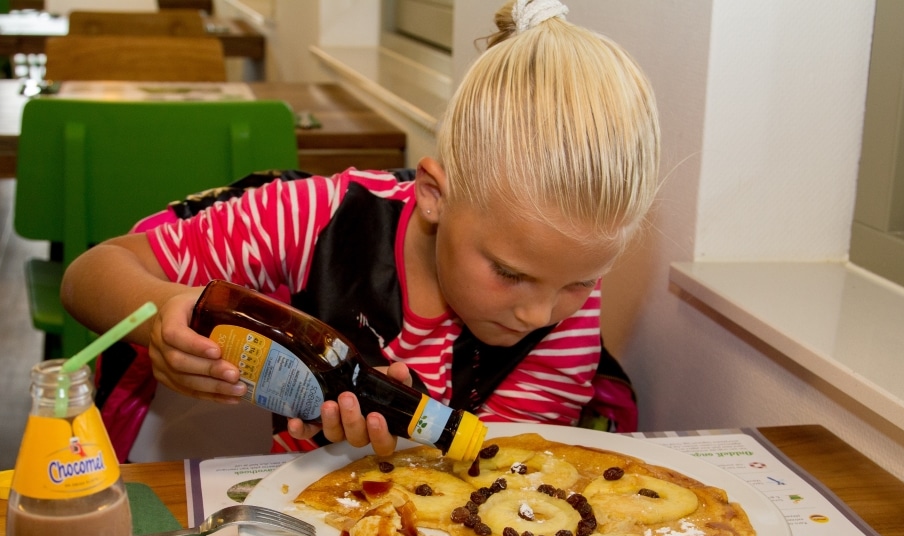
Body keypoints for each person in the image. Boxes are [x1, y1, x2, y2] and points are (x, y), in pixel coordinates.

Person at [60, 0, 661, 462]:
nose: (539, 313)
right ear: (433, 196)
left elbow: (495, 475)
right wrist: (167, 309)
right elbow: (89, 275)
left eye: (580, 281)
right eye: (508, 273)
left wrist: (395, 449)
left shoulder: (566, 316)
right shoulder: (319, 219)